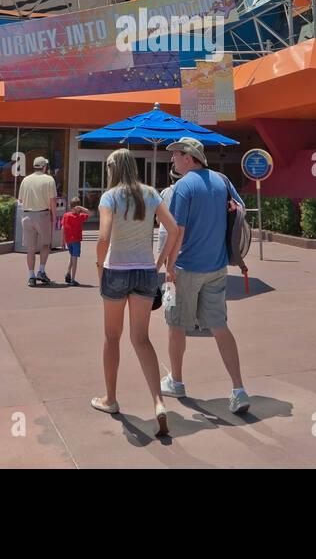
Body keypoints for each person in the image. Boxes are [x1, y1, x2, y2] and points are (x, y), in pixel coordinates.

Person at [90, 148, 179, 437]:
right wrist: (160, 262)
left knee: (111, 337)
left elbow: (103, 237)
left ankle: (111, 399)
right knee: (141, 339)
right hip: (144, 272)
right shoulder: (151, 193)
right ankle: (158, 403)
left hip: (116, 270)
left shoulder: (110, 197)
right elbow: (174, 229)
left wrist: (99, 267)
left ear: (113, 169)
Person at [159, 137, 251, 416]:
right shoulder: (222, 181)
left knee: (176, 324)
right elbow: (241, 212)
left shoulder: (184, 186)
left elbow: (178, 232)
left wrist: (167, 267)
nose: (172, 160)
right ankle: (238, 389)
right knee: (220, 327)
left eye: (175, 155)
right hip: (217, 267)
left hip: (186, 267)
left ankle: (176, 381)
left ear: (188, 157)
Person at [19, 156, 58, 286]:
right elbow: (53, 201)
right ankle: (41, 270)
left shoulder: (25, 180)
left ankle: (31, 276)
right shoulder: (49, 180)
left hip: (27, 215)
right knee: (45, 244)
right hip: (42, 215)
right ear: (44, 166)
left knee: (31, 248)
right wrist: (54, 216)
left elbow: (20, 200)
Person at [62, 197, 89, 286]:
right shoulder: (80, 216)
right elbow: (89, 213)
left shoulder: (66, 215)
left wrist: (63, 241)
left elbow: (63, 228)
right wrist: (82, 208)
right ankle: (73, 279)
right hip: (76, 240)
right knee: (75, 259)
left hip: (68, 240)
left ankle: (68, 272)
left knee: (72, 256)